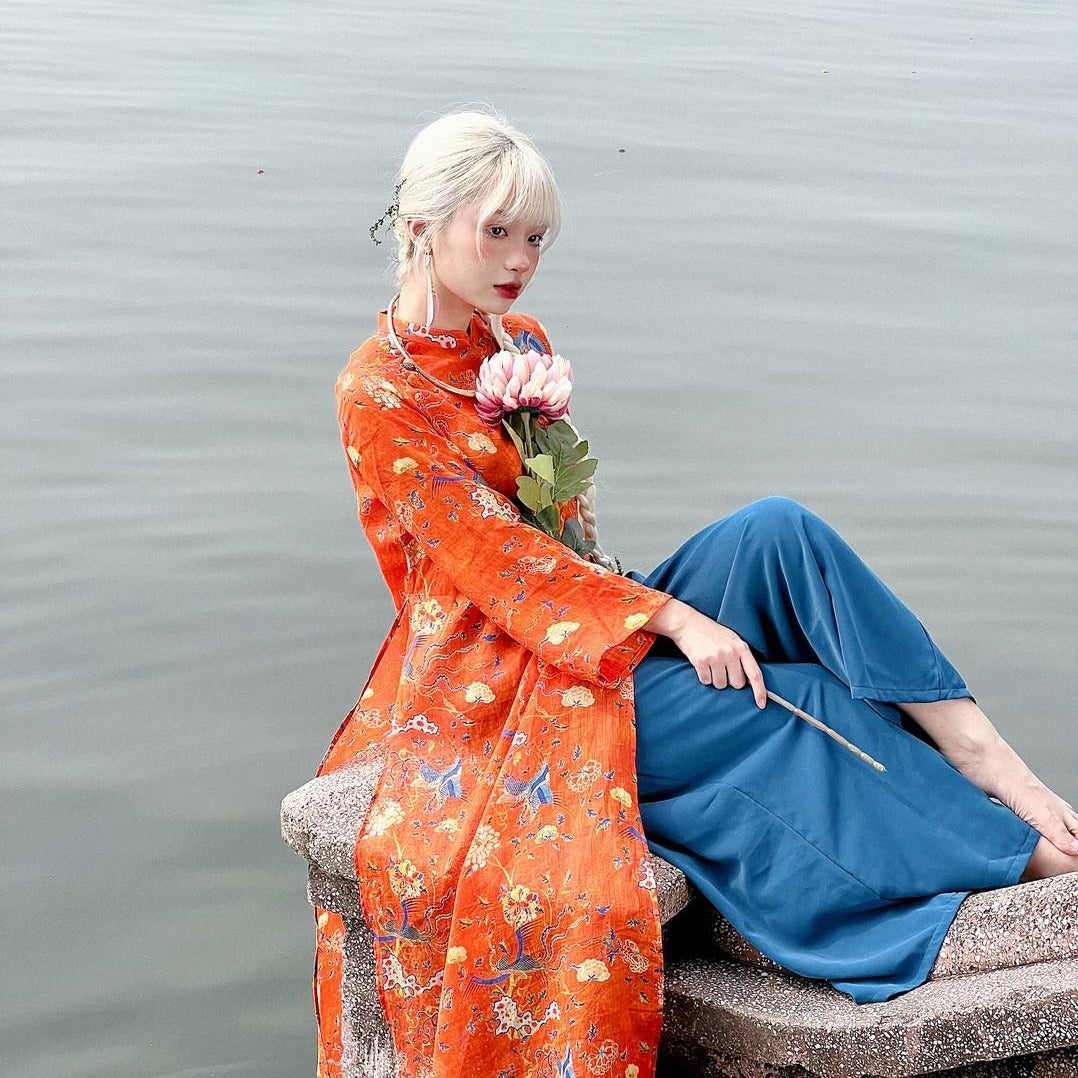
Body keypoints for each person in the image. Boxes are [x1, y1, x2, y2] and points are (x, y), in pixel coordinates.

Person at [311, 109, 1078, 1078]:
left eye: (535, 236)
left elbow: (567, 536)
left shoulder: (515, 344)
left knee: (776, 529)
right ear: (423, 223)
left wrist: (648, 605)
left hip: (587, 611)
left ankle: (983, 753)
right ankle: (1029, 859)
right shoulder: (378, 389)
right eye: (495, 230)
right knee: (783, 699)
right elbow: (494, 560)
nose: (518, 260)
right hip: (498, 674)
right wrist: (671, 617)